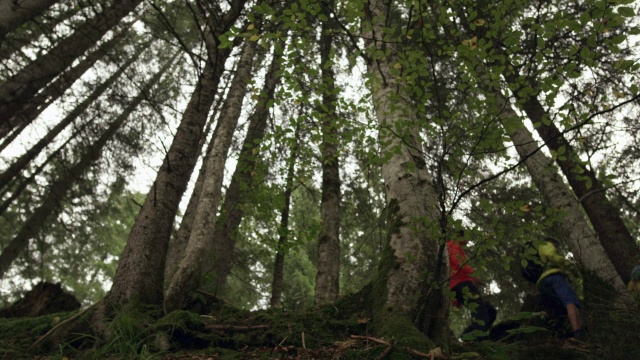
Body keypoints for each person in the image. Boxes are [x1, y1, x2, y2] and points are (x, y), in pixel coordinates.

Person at [447, 230, 497, 339]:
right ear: (459, 236)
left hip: (461, 285)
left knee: (489, 310)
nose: (468, 240)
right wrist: (474, 273)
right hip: (461, 284)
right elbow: (458, 262)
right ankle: (476, 339)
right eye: (467, 237)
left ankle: (468, 336)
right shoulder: (452, 245)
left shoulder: (458, 248)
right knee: (480, 309)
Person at [533, 237, 585, 338]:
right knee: (570, 302)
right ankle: (578, 332)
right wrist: (570, 266)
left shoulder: (536, 253)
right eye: (556, 246)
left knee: (558, 307)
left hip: (541, 282)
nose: (557, 248)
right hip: (554, 278)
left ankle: (560, 334)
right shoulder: (546, 244)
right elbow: (551, 255)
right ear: (553, 242)